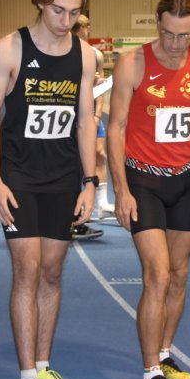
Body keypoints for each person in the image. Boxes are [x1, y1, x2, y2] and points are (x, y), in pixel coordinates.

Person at [0, 0, 98, 379]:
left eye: (74, 13)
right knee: (27, 271)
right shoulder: (11, 48)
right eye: (58, 11)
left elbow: (85, 121)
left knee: (52, 272)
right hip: (19, 176)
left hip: (63, 177)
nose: (66, 21)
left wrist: (90, 182)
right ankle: (27, 375)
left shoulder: (85, 55)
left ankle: (45, 365)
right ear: (40, 3)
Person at [108, 0, 190, 379]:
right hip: (143, 181)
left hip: (186, 181)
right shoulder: (132, 64)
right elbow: (116, 127)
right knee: (156, 274)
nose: (175, 44)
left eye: (184, 36)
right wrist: (120, 189)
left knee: (179, 274)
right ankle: (151, 372)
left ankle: (165, 351)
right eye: (169, 34)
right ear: (158, 23)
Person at [71, 15, 115, 225]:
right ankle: (75, 205)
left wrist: (97, 115)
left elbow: (101, 86)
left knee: (99, 154)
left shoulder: (96, 54)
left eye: (88, 27)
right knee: (76, 158)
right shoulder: (65, 52)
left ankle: (103, 204)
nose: (87, 31)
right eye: (84, 28)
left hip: (91, 113)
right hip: (72, 113)